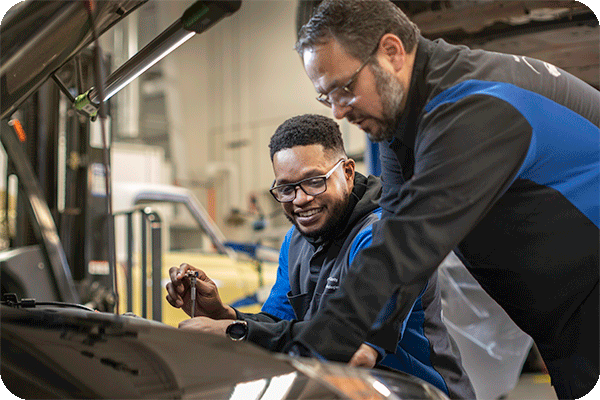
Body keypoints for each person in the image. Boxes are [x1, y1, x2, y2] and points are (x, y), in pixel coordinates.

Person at [288, 1, 599, 399]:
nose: (338, 111)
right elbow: (395, 239)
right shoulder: (405, 127)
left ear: (392, 52)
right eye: (325, 97)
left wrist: (309, 355)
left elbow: (412, 240)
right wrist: (372, 339)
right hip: (569, 321)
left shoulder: (478, 103)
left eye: (345, 88)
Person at [166, 114, 475, 399]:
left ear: (348, 172)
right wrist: (225, 315)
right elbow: (277, 322)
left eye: (314, 181)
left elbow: (351, 349)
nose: (300, 200)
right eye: (286, 189)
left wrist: (237, 332)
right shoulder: (296, 240)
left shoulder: (383, 236)